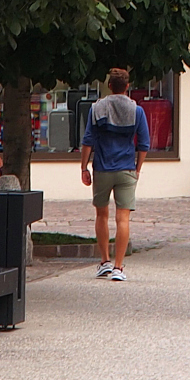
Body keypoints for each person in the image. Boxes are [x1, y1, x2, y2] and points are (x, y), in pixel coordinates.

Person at [80, 68, 151, 281]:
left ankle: (104, 262)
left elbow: (88, 141)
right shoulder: (136, 111)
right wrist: (137, 168)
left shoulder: (97, 108)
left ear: (109, 85)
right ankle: (119, 267)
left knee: (101, 214)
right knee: (123, 218)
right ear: (127, 86)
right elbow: (144, 143)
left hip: (102, 167)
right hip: (126, 167)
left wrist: (84, 167)